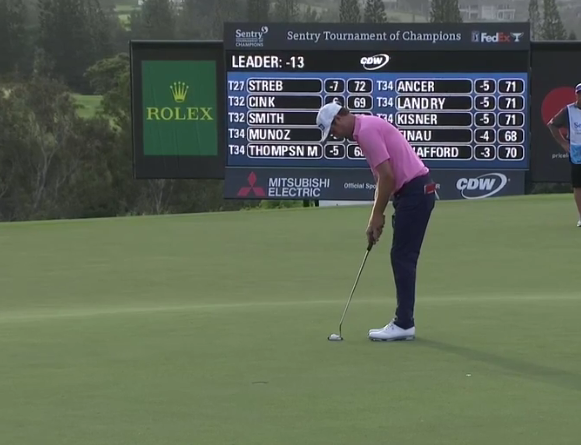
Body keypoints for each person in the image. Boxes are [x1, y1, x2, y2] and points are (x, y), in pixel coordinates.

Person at [316, 102, 436, 341]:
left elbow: (387, 177)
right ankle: (404, 322)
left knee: (402, 256)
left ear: (338, 119)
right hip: (414, 192)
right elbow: (384, 179)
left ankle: (404, 324)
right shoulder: (365, 127)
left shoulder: (366, 131)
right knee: (402, 255)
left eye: (333, 131)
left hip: (415, 192)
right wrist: (377, 215)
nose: (336, 137)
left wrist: (376, 215)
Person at [547, 82, 581, 227]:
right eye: (580, 94)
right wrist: (563, 143)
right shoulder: (569, 110)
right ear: (576, 95)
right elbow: (552, 125)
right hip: (577, 152)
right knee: (578, 185)